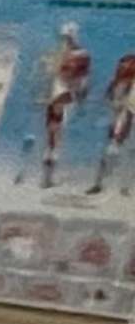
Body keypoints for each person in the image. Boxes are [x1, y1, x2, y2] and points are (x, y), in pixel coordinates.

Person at [38, 21, 94, 185]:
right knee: (52, 133)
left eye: (67, 37)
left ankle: (49, 174)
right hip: (57, 94)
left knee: (56, 133)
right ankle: (47, 175)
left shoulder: (80, 55)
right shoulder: (58, 54)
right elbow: (48, 75)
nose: (65, 41)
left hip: (66, 94)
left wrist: (81, 96)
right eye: (64, 37)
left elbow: (83, 78)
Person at [99, 48, 135, 198]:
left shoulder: (122, 80)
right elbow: (110, 97)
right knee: (114, 148)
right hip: (123, 115)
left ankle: (121, 185)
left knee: (121, 150)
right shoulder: (120, 81)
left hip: (126, 114)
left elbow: (110, 97)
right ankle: (104, 182)